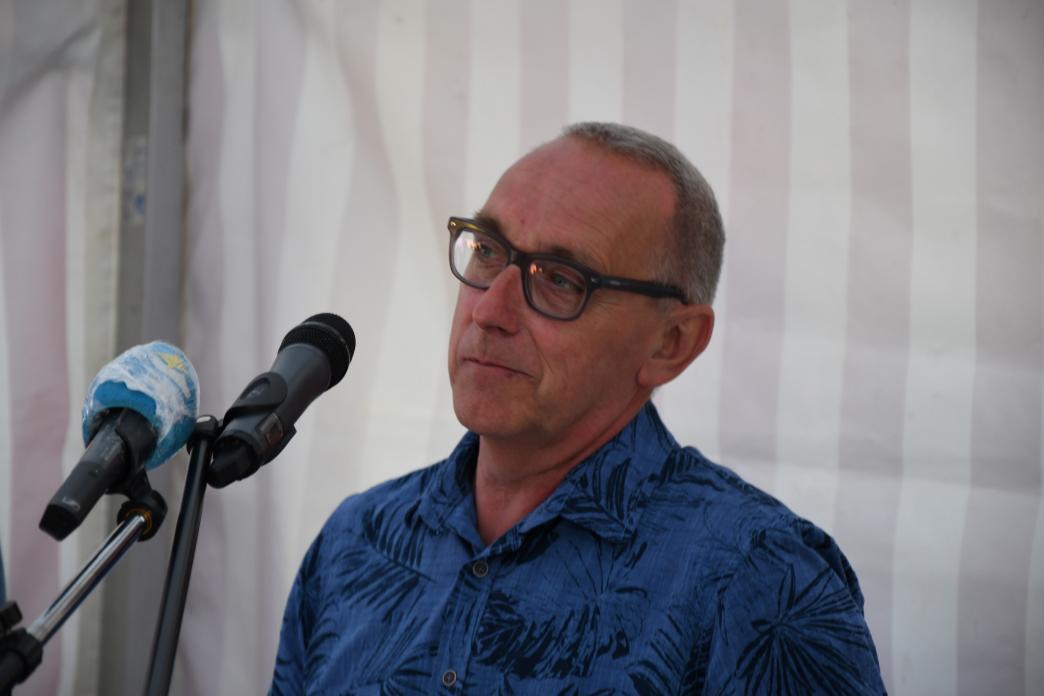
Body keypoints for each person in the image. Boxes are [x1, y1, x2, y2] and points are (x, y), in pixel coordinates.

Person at [270, 122, 885, 695]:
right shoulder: (358, 540)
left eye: (560, 279)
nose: (489, 310)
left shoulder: (761, 579)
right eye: (487, 251)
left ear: (672, 343)